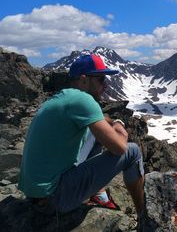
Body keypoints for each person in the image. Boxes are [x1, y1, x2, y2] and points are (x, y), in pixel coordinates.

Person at [18, 53, 144, 216]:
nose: (105, 86)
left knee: (94, 134)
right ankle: (143, 216)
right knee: (132, 151)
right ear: (84, 80)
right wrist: (119, 124)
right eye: (101, 80)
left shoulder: (62, 98)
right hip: (55, 198)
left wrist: (109, 122)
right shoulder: (83, 100)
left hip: (35, 193)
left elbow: (100, 120)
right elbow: (120, 147)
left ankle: (96, 193)